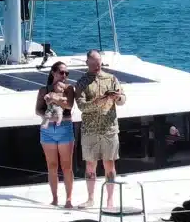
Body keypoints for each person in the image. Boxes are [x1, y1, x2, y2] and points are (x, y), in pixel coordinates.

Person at [76, 50, 126, 210]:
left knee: (109, 165)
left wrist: (117, 97)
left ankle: (110, 201)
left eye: (99, 63)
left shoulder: (111, 79)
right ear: (87, 63)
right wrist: (99, 101)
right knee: (90, 165)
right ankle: (90, 198)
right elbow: (82, 106)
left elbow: (123, 100)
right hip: (90, 131)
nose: (97, 66)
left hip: (109, 129)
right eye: (93, 64)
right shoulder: (82, 83)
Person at [35, 61, 77, 207]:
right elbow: (38, 109)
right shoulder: (43, 90)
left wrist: (56, 99)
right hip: (47, 130)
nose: (64, 75)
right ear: (53, 72)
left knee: (67, 166)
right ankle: (54, 198)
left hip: (64, 127)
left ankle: (69, 198)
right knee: (52, 165)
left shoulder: (69, 89)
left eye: (66, 73)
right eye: (61, 72)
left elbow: (69, 105)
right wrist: (47, 115)